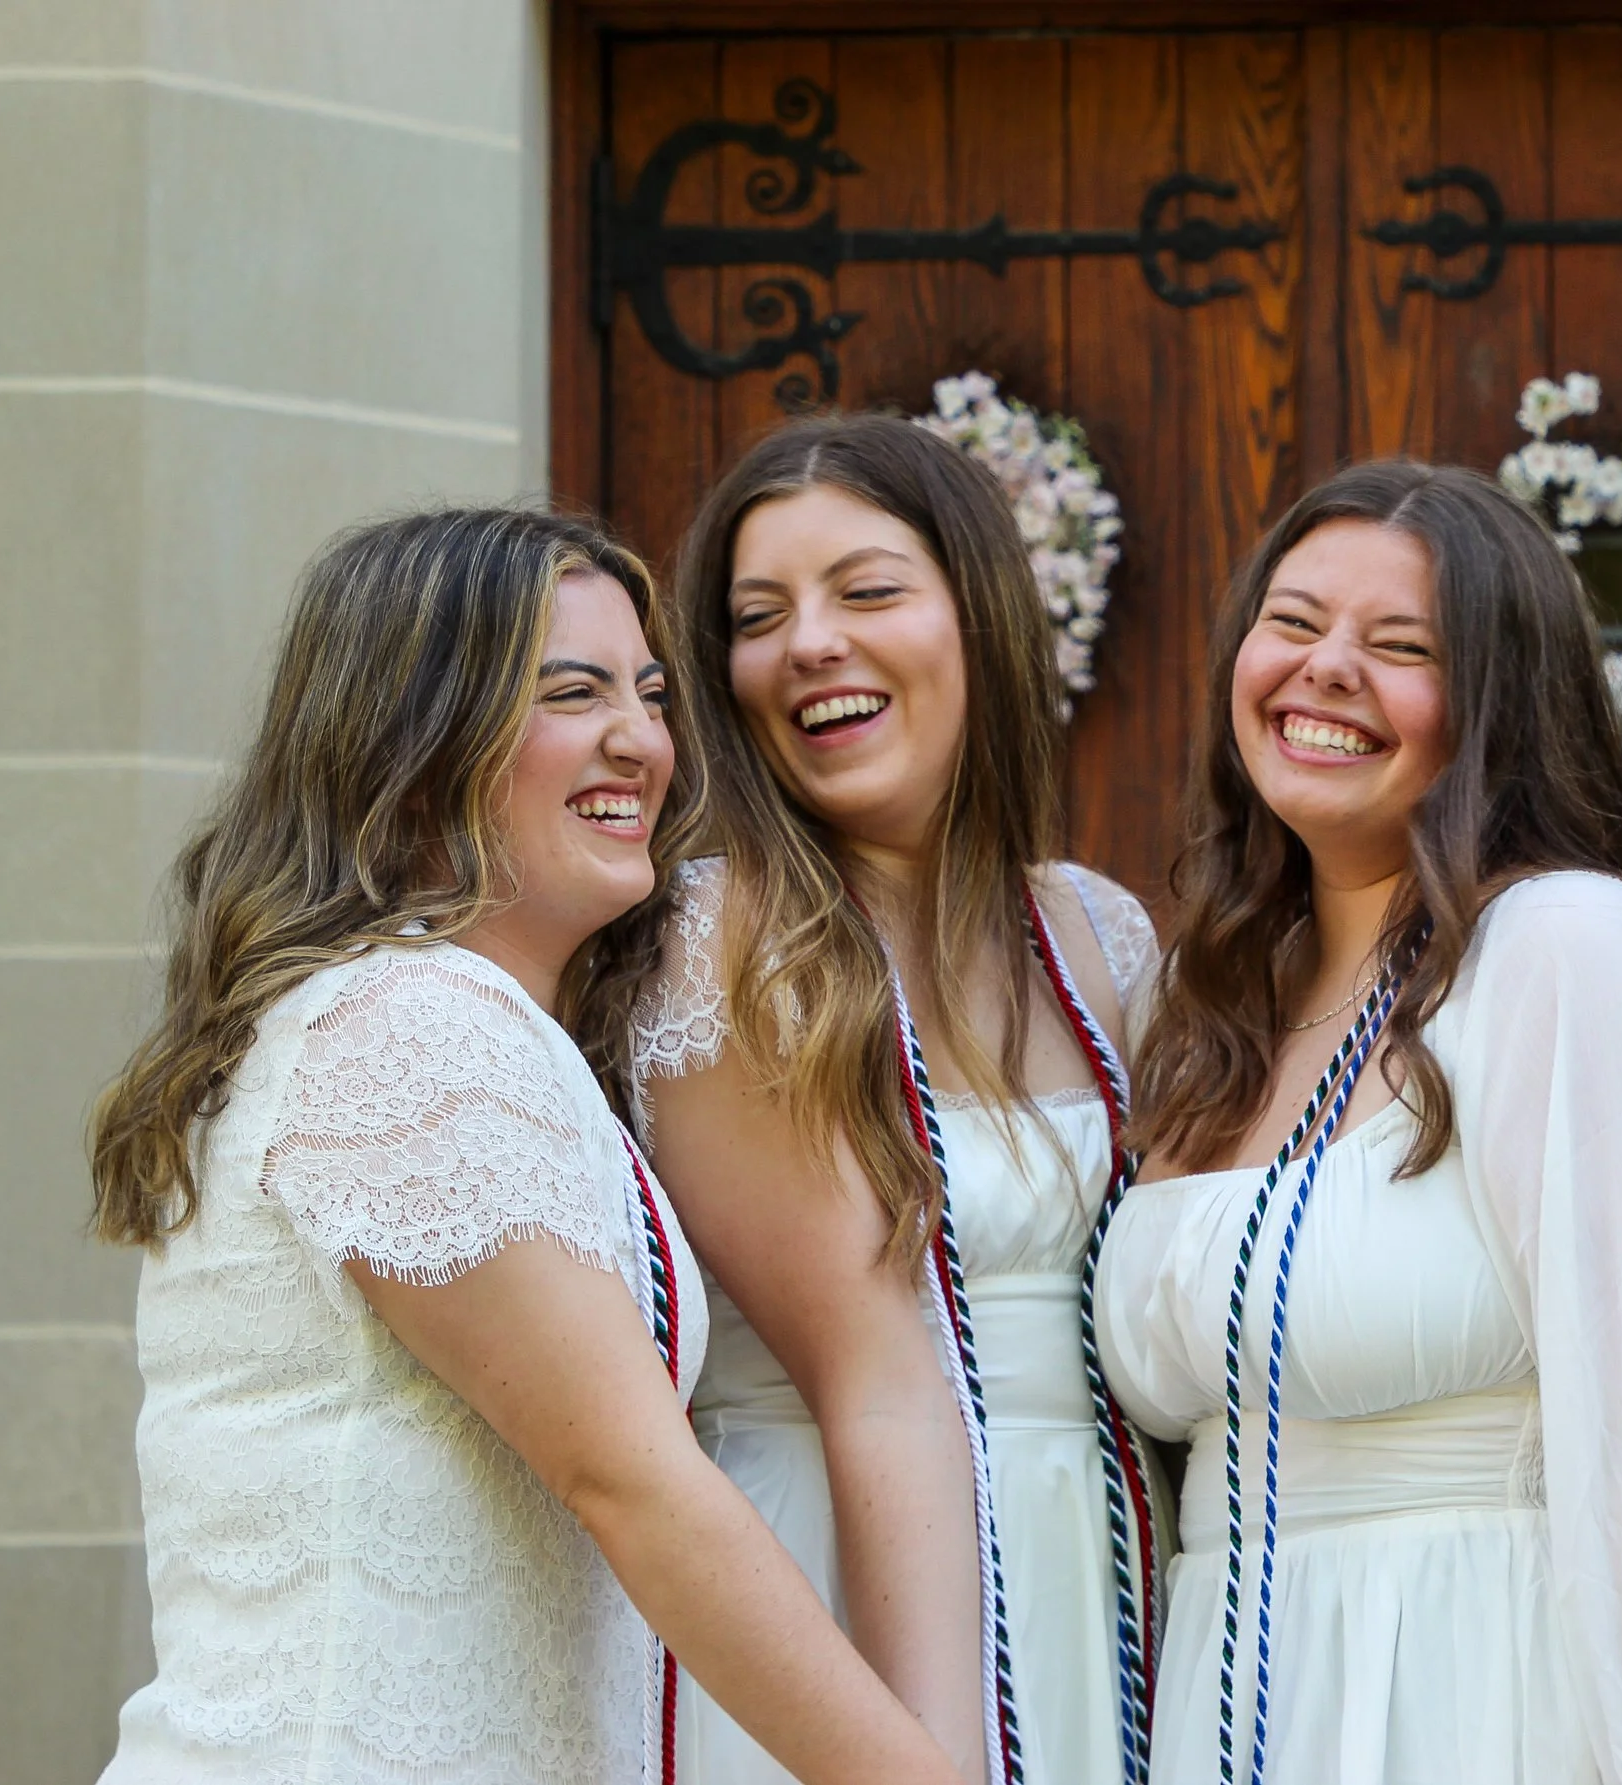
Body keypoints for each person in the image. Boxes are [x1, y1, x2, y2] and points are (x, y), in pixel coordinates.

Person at [88, 508, 962, 1785]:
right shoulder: (408, 1028)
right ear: (415, 740)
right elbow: (635, 1488)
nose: (641, 741)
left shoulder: (434, 1015)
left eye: (650, 694)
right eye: (571, 692)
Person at [1093, 460, 1622, 1785]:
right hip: (1231, 1698)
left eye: (1401, 646)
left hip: (1486, 1690)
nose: (1327, 669)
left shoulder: (1572, 950)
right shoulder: (1213, 1006)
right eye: (1294, 624)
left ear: (1495, 707)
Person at [633, 412, 1166, 1785]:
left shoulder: (1097, 934)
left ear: (979, 618)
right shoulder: (725, 940)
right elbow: (871, 1388)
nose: (810, 642)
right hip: (841, 1581)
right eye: (761, 616)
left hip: (1095, 1574)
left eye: (866, 591)